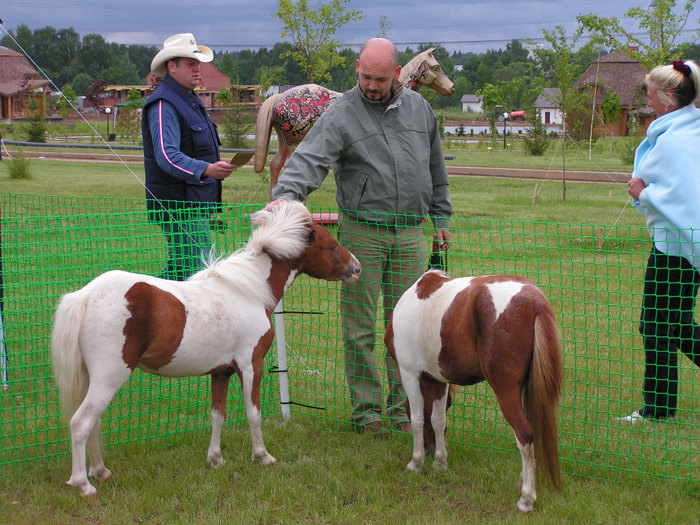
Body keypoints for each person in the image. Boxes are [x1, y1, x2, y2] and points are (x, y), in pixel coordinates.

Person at [269, 38, 453, 434]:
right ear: (357, 68)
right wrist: (283, 200)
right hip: (363, 231)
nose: (372, 85)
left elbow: (435, 165)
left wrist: (441, 217)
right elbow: (308, 160)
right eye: (366, 77)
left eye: (381, 79)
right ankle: (367, 414)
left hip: (410, 234)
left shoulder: (420, 110)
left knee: (407, 326)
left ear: (397, 73)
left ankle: (406, 411)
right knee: (359, 328)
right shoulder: (341, 114)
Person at [622, 59, 700, 422]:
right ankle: (660, 407)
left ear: (668, 98)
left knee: (657, 326)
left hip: (677, 248)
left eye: (649, 92)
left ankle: (656, 409)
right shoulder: (688, 131)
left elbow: (683, 198)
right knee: (671, 324)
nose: (646, 97)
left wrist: (643, 192)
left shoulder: (675, 141)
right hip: (681, 245)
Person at [142, 33, 238, 281]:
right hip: (179, 204)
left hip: (193, 202)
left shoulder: (189, 99)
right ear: (172, 67)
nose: (197, 69)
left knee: (183, 269)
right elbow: (166, 156)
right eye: (190, 64)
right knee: (199, 271)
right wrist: (207, 169)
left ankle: (145, 311)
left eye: (197, 63)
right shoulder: (164, 103)